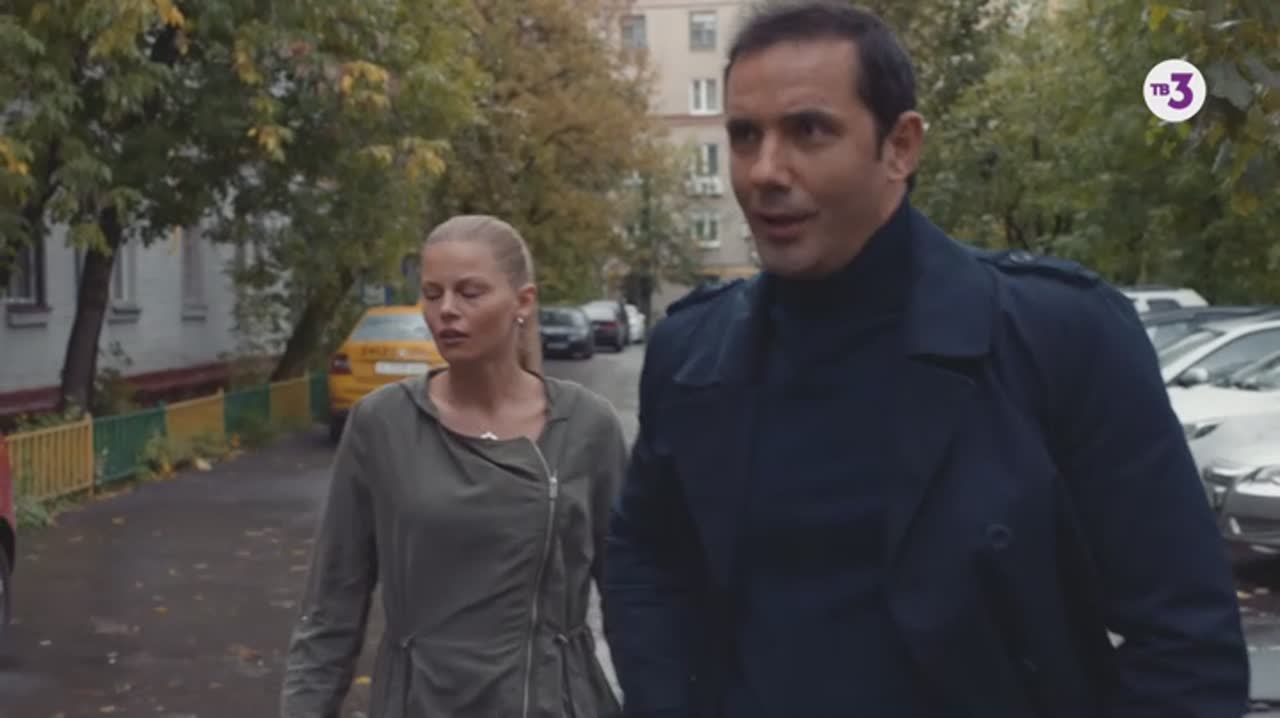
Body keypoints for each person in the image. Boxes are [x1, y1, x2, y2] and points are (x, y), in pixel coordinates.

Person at [601, 3, 1250, 717]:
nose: (764, 171)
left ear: (900, 147)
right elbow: (645, 562)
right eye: (744, 135)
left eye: (809, 130)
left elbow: (1186, 642)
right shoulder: (691, 354)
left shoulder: (1060, 337)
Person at [281, 214, 626, 717]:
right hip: (421, 702)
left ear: (523, 302)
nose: (445, 310)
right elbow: (331, 606)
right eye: (432, 293)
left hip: (555, 701)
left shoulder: (587, 427)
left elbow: (630, 598)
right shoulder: (382, 424)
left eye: (469, 293)